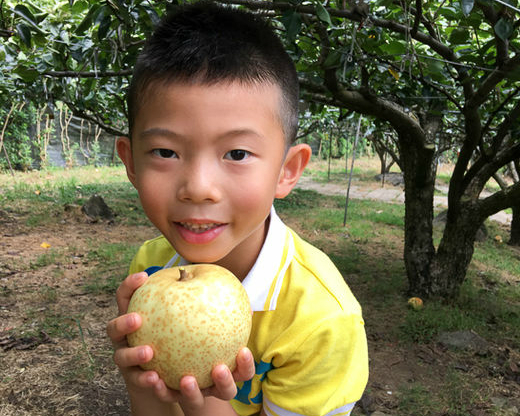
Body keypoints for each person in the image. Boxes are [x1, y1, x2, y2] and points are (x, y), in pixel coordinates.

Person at [106, 2, 369, 415]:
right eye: (165, 151)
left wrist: (206, 403)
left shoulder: (321, 321)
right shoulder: (152, 270)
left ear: (287, 170)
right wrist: (142, 380)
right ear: (131, 162)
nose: (199, 188)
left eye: (238, 152)